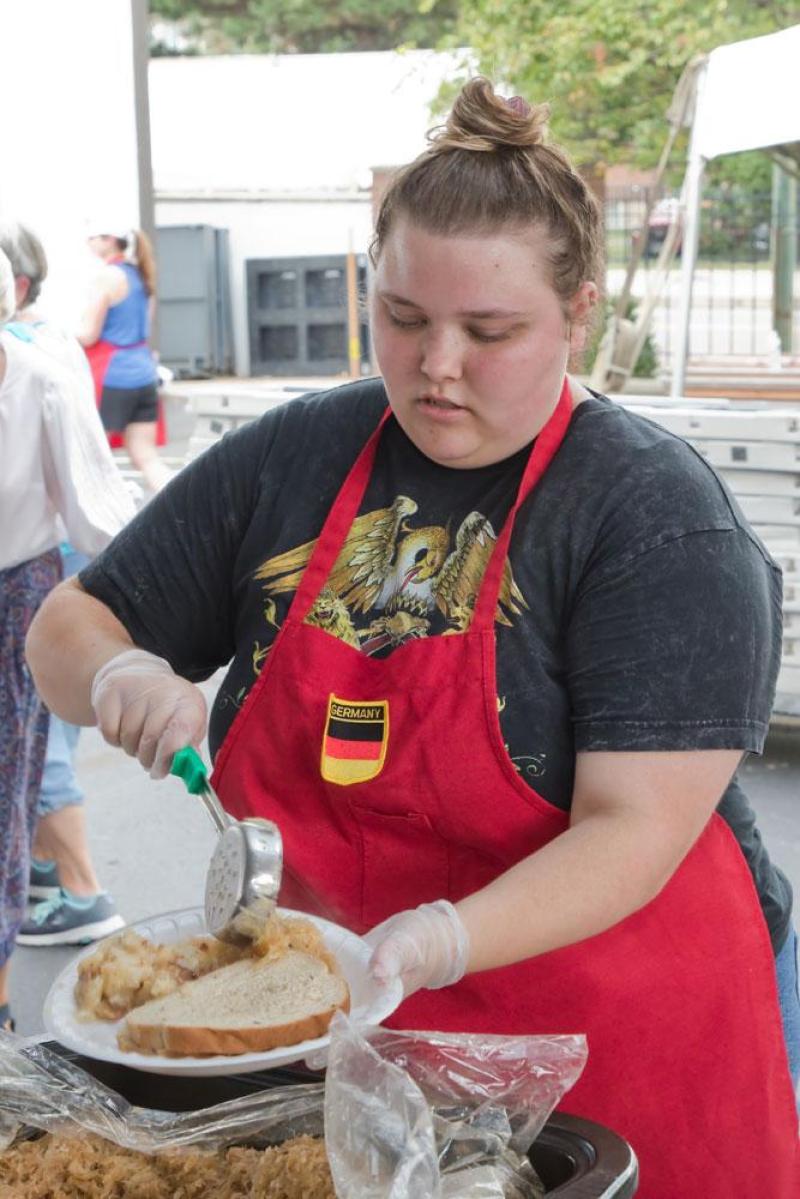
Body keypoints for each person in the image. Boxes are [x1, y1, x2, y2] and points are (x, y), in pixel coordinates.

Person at [25, 80, 800, 1194]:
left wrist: (431, 941)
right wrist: (120, 668)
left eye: (489, 331)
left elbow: (633, 829)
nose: (436, 364)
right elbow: (66, 623)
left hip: (610, 1038)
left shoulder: (651, 515)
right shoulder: (295, 453)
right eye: (401, 317)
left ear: (578, 311)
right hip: (338, 1047)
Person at [0, 244, 134, 1031]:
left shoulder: (42, 382)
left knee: (9, 797)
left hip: (15, 594)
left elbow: (100, 516)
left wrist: (147, 640)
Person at [78, 221, 171, 494]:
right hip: (143, 373)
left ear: (108, 240)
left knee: (91, 458)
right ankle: (182, 512)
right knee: (146, 456)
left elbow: (88, 335)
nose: (89, 243)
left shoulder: (107, 277)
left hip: (113, 375)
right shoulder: (141, 275)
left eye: (92, 236)